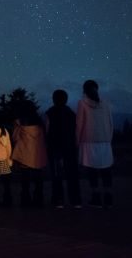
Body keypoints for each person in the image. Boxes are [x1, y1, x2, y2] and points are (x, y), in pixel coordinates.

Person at [76, 80, 114, 208]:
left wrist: (77, 141)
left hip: (88, 141)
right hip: (104, 141)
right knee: (106, 170)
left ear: (84, 90)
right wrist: (108, 138)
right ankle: (108, 198)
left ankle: (96, 198)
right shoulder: (106, 104)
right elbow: (110, 123)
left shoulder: (82, 104)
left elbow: (79, 124)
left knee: (92, 171)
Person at [45, 89, 82, 208]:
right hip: (70, 149)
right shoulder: (71, 113)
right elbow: (76, 132)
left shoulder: (50, 113)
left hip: (55, 149)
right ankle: (75, 200)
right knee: (72, 175)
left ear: (54, 99)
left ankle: (58, 200)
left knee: (57, 175)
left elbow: (46, 130)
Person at [12, 100, 47, 207]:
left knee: (25, 180)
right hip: (37, 155)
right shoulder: (40, 123)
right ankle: (39, 200)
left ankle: (25, 200)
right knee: (38, 179)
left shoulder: (20, 123)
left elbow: (15, 138)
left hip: (25, 155)